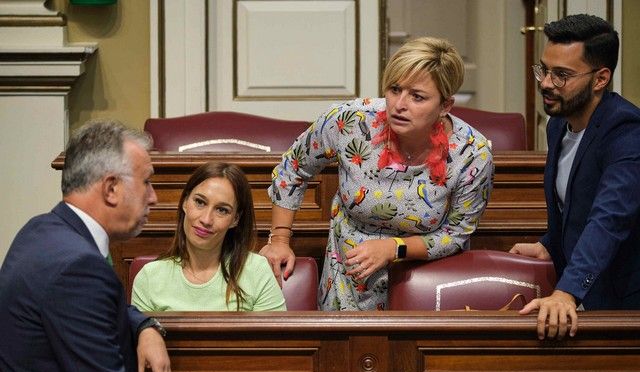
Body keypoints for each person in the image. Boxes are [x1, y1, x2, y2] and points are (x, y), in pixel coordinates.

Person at [260, 37, 494, 311]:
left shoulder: (472, 154)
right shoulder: (351, 121)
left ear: (445, 105)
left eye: (417, 97)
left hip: (424, 283)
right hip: (347, 280)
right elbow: (293, 168)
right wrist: (279, 240)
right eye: (395, 89)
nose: (399, 105)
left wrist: (395, 248)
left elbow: (455, 234)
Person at [0, 120, 171, 372]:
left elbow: (86, 308)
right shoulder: (78, 268)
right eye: (147, 182)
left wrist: (144, 324)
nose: (154, 197)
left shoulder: (41, 230)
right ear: (111, 188)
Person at [510, 14, 640, 340]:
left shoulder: (627, 132)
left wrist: (567, 291)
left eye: (562, 75)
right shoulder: (559, 124)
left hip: (626, 303)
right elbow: (574, 204)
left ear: (600, 79)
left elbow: (609, 219)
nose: (545, 83)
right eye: (544, 69)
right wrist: (549, 246)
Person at [132, 162, 286, 312]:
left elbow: (276, 338)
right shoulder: (150, 277)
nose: (206, 220)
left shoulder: (257, 271)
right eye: (200, 202)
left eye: (222, 210)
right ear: (185, 202)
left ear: (235, 219)